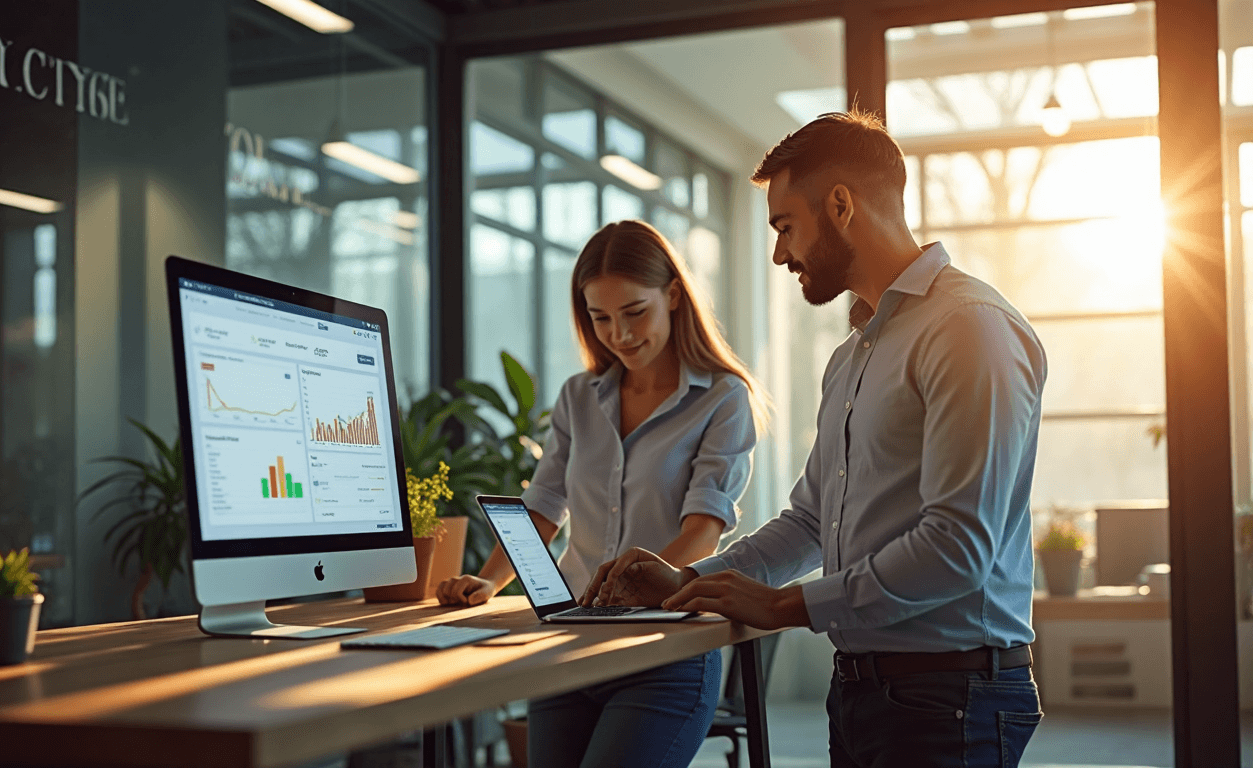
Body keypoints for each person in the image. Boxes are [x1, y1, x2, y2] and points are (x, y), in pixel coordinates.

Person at [583, 110, 1048, 768]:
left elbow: (958, 545)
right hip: (866, 686)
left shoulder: (967, 328)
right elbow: (808, 522)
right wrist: (688, 580)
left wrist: (788, 605)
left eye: (784, 226)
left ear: (839, 205)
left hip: (951, 694)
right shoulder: (855, 353)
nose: (778, 254)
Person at [436, 219, 768, 768]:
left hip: (666, 649)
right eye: (600, 318)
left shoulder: (723, 399)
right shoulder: (578, 397)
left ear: (674, 295)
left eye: (635, 312)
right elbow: (545, 503)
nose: (620, 334)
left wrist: (643, 587)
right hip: (568, 642)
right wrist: (488, 580)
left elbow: (704, 529)